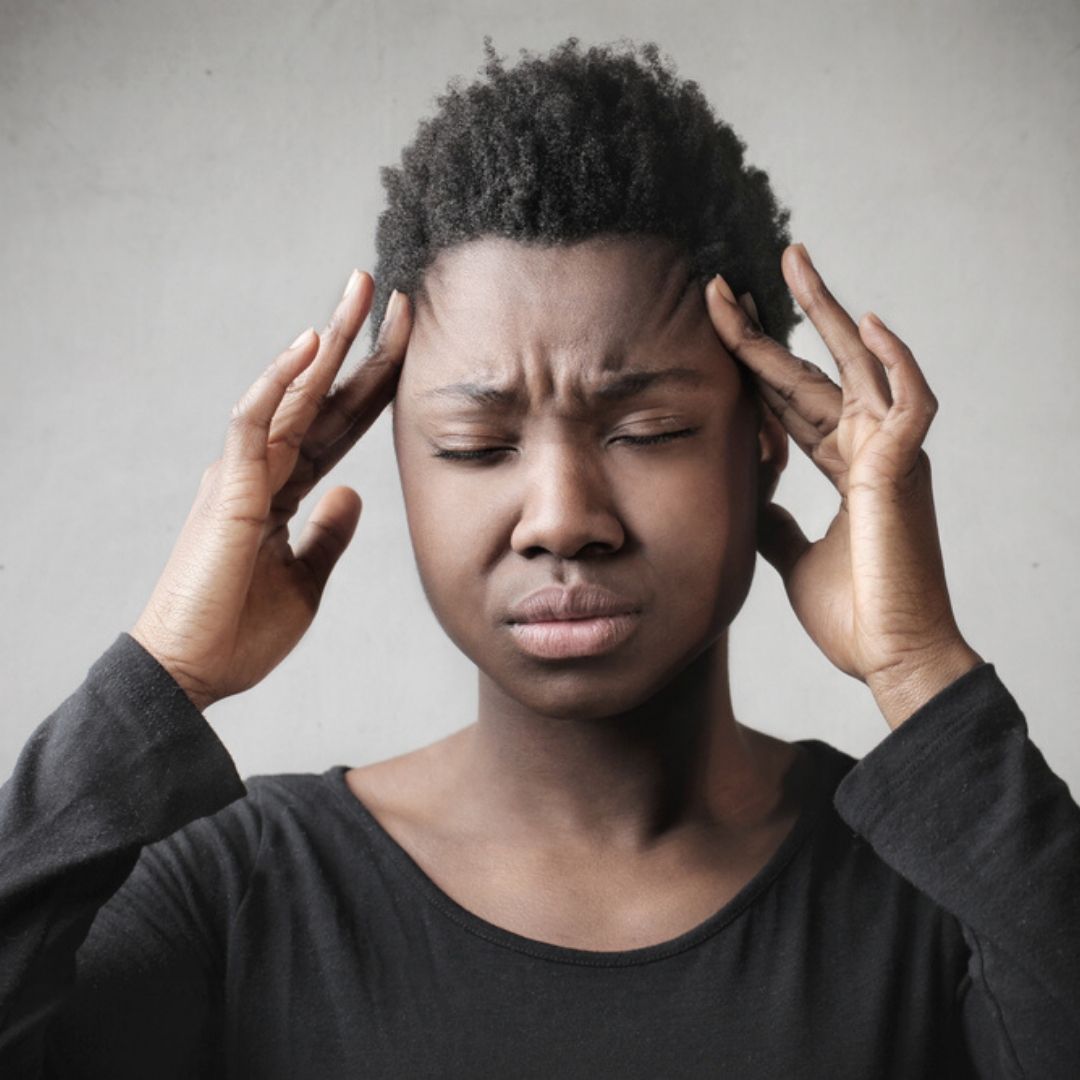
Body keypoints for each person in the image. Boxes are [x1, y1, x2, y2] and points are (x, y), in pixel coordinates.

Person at [1, 35, 1077, 1079]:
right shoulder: (238, 895)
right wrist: (159, 678)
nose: (561, 518)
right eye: (477, 445)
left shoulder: (942, 893)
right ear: (398, 457)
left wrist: (921, 670)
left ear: (769, 435)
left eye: (645, 432)